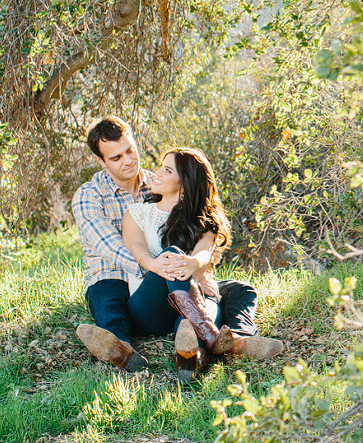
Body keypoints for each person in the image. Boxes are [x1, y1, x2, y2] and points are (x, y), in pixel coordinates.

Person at [71, 116, 281, 375]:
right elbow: (110, 246)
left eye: (130, 150)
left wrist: (197, 270)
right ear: (101, 161)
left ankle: (209, 348)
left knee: (232, 291)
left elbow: (201, 245)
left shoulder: (157, 181)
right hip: (114, 274)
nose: (127, 161)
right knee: (111, 305)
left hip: (174, 279)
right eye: (116, 158)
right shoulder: (89, 195)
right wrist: (152, 264)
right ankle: (122, 349)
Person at [123, 146, 283, 380]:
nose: (156, 173)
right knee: (172, 255)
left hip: (186, 303)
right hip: (149, 308)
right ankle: (210, 334)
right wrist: (155, 265)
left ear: (185, 184)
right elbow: (136, 248)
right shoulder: (137, 213)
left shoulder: (203, 221)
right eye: (161, 166)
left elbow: (203, 254)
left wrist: (194, 266)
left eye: (167, 170)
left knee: (240, 290)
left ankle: (209, 349)